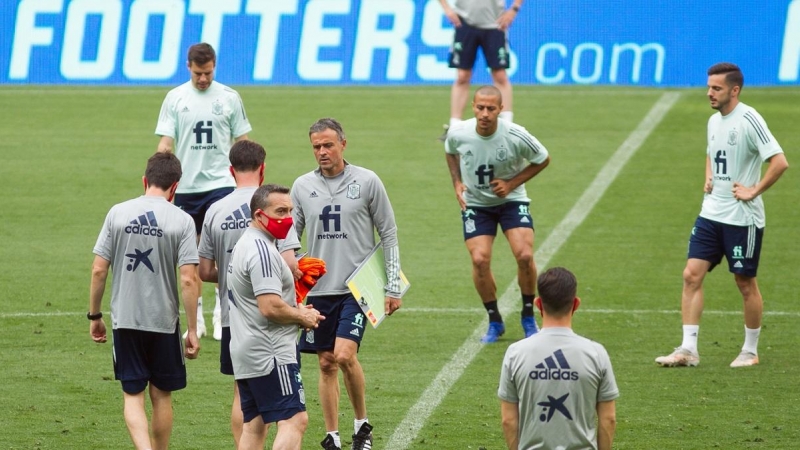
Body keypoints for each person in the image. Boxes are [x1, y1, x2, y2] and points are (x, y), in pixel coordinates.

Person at [656, 63, 789, 368]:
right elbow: (711, 152)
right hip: (711, 213)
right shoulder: (714, 121)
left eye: (716, 88)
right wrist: (709, 176)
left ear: (734, 90)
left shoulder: (749, 119)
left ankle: (750, 351)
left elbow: (779, 161)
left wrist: (754, 190)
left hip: (742, 219)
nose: (709, 93)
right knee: (691, 275)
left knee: (744, 282)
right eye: (709, 87)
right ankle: (688, 350)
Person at [292, 118, 403, 450]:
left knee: (343, 355)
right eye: (316, 146)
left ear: (343, 143)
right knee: (325, 362)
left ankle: (361, 425)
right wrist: (294, 273)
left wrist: (393, 285)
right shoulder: (301, 187)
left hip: (358, 288)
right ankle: (333, 437)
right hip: (319, 289)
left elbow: (389, 233)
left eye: (328, 145)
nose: (322, 152)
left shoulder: (367, 181)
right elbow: (290, 238)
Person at [88, 152, 200, 450]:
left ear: (145, 180)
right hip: (164, 321)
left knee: (132, 395)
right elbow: (188, 279)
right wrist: (192, 328)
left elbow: (99, 269)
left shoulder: (118, 213)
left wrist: (94, 315)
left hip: (126, 318)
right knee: (162, 395)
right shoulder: (183, 220)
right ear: (175, 187)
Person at [197, 140, 301, 447]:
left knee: (243, 397)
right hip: (269, 324)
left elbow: (203, 272)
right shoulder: (275, 207)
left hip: (232, 316)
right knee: (291, 415)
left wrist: (237, 279)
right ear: (263, 168)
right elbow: (289, 263)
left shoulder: (215, 210)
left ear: (230, 170)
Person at [155, 42, 252, 340]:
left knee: (225, 251)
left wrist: (248, 183)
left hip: (221, 185)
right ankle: (195, 315)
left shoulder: (229, 98)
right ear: (188, 67)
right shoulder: (175, 98)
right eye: (198, 73)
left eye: (208, 73)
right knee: (192, 256)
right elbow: (166, 143)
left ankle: (223, 311)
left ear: (214, 67)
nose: (203, 79)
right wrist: (158, 177)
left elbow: (242, 140)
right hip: (186, 188)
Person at [444, 85, 550, 343]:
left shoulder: (515, 135)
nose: (485, 113)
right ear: (473, 106)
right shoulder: (460, 132)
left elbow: (543, 158)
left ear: (501, 110)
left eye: (491, 108)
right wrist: (457, 183)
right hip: (477, 204)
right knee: (480, 260)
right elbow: (450, 150)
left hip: (511, 200)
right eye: (480, 107)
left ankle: (527, 316)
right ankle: (494, 320)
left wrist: (511, 184)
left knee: (524, 255)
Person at [227, 183, 324, 450]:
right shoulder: (262, 251)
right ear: (259, 215)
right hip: (271, 353)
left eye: (290, 211)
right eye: (280, 211)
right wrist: (301, 317)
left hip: (247, 350)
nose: (287, 218)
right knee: (295, 420)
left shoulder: (247, 243)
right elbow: (269, 306)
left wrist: (297, 309)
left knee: (255, 426)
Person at [498, 267, 618, 450]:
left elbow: (508, 420)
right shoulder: (596, 353)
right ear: (576, 304)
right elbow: (608, 419)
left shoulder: (516, 352)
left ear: (538, 304)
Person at [438, 0, 523, 140]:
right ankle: (454, 127)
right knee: (462, 76)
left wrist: (514, 9)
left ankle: (508, 127)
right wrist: (447, 8)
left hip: (495, 23)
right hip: (464, 22)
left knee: (500, 75)